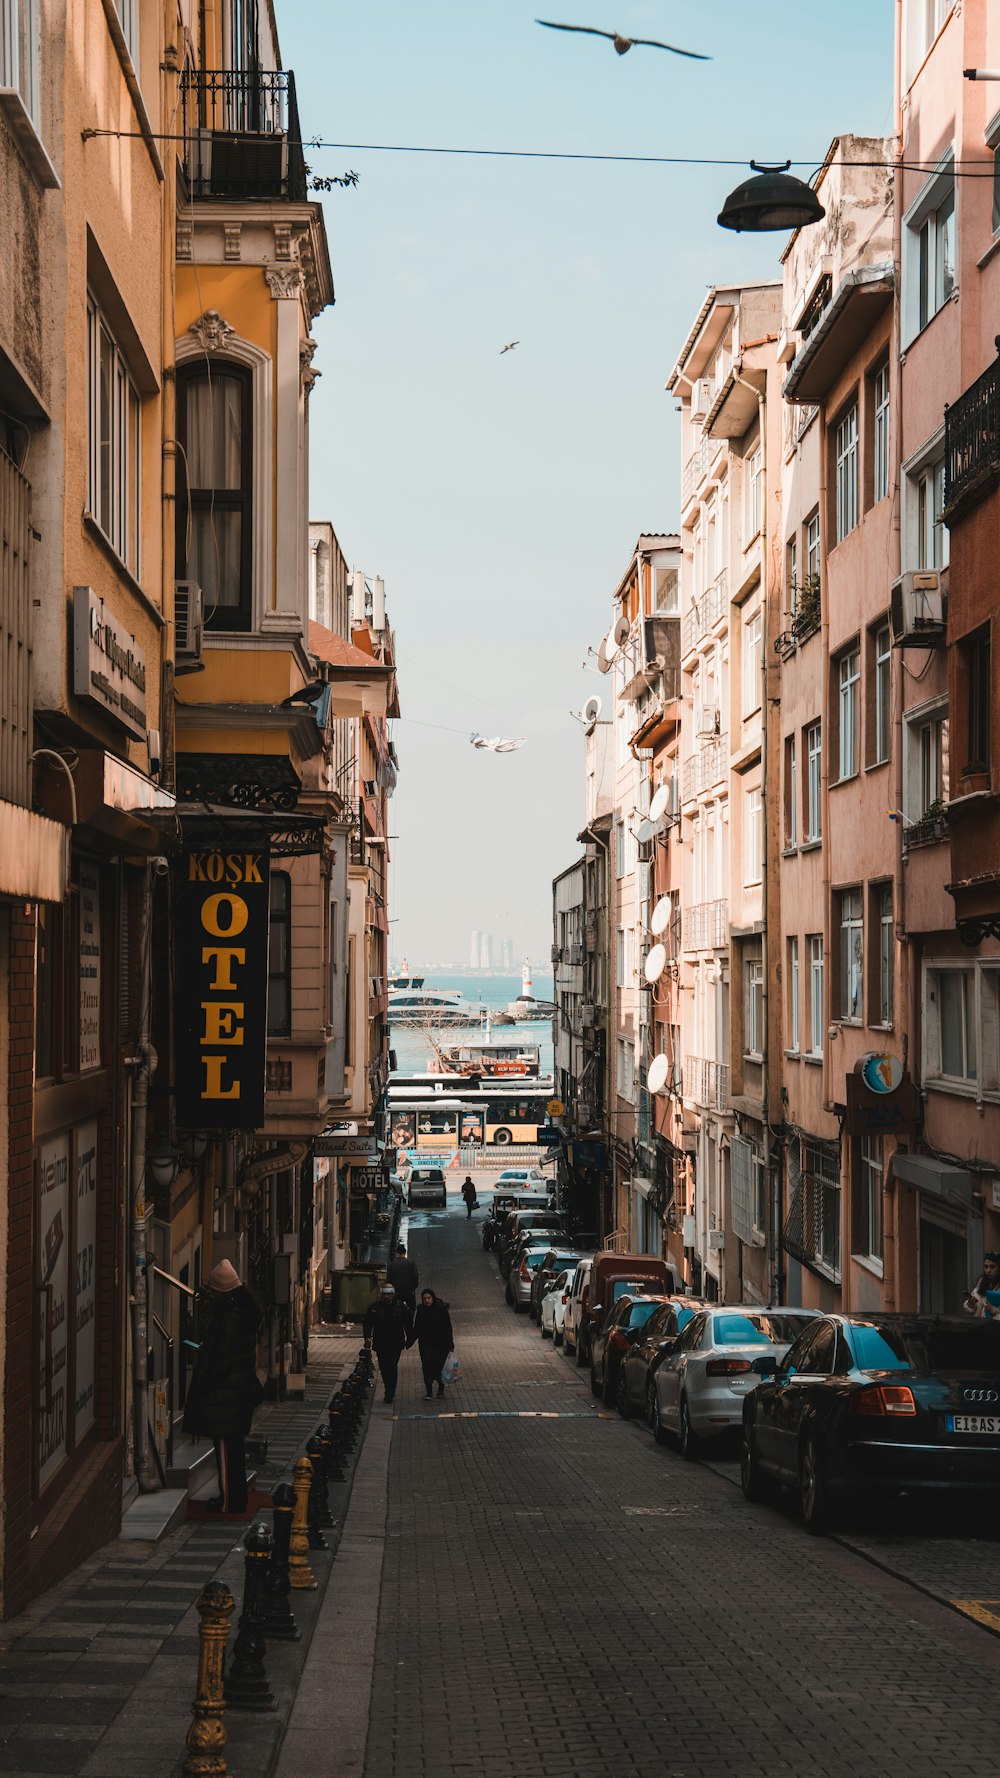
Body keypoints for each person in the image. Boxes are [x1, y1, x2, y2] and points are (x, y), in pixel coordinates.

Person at [183, 1258, 263, 1514]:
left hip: (226, 1395)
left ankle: (230, 1501)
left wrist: (205, 1382)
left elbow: (222, 1359)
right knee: (233, 1450)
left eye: (214, 1289)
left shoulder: (230, 1317)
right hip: (236, 1393)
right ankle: (232, 1496)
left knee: (227, 1451)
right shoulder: (244, 1311)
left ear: (222, 1289)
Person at [363, 1283, 413, 1403]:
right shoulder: (375, 1308)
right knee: (384, 1368)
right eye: (385, 1294)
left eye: (389, 1294)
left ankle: (390, 1392)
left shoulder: (401, 1307)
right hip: (381, 1342)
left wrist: (409, 1339)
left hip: (396, 1342)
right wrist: (367, 1337)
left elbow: (408, 1324)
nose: (387, 1297)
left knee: (392, 1366)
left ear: (393, 1294)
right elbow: (368, 1323)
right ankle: (388, 1388)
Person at [410, 1288, 455, 1400]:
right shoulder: (421, 1310)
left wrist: (450, 1343)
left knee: (440, 1367)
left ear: (433, 1298)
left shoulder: (441, 1309)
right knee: (427, 1367)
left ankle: (440, 1390)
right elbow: (417, 1327)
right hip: (426, 1344)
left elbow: (447, 1327)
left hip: (441, 1345)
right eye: (424, 1298)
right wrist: (409, 1341)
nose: (426, 1301)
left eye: (429, 1298)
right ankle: (429, 1391)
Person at [966, 1251, 1000, 1319]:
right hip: (978, 1325)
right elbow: (970, 1310)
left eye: (992, 1267)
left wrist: (993, 1309)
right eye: (986, 1266)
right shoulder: (981, 1282)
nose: (988, 1270)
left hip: (994, 1327)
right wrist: (970, 1304)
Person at [387, 1242, 419, 1308]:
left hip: (396, 1292)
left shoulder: (391, 1265)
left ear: (396, 1253)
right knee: (411, 1307)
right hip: (409, 1291)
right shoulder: (411, 1263)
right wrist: (414, 1286)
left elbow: (388, 1280)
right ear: (405, 1253)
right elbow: (415, 1276)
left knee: (396, 1308)